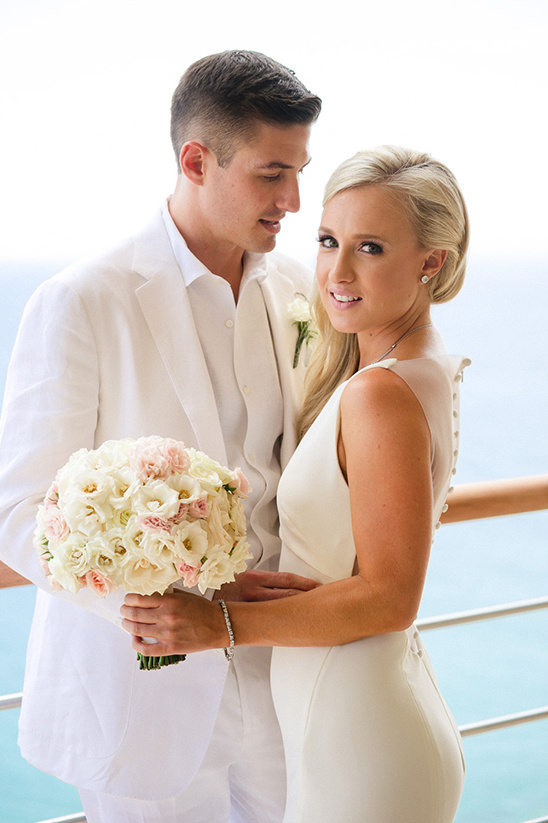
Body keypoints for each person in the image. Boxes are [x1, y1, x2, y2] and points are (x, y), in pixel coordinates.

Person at [0, 50, 322, 822]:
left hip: (287, 679)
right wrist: (157, 611)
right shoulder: (82, 301)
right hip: (143, 691)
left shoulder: (302, 293)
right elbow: (19, 513)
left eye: (301, 171)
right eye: (273, 173)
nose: (296, 200)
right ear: (196, 160)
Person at [122, 145, 471, 822]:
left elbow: (390, 596)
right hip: (358, 704)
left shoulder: (381, 394)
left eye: (369, 247)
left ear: (433, 261)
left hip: (356, 725)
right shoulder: (417, 365)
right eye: (327, 240)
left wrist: (218, 624)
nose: (335, 272)